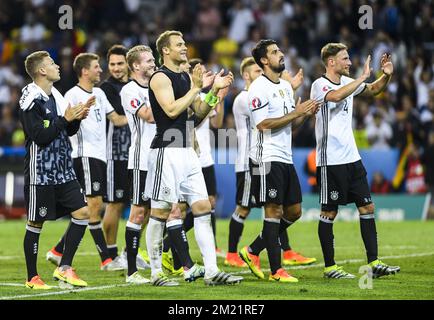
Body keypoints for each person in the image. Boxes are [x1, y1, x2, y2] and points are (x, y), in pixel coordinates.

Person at [144, 30, 243, 286]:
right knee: (160, 211)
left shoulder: (186, 78)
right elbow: (171, 109)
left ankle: (211, 271)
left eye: (184, 43)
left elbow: (196, 115)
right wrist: (198, 87)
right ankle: (156, 273)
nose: (185, 47)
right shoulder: (159, 77)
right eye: (179, 44)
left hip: (188, 151)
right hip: (166, 151)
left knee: (202, 208)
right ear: (165, 50)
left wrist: (213, 94)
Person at [311, 43, 400, 278]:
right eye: (345, 58)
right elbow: (336, 96)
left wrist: (386, 76)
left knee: (367, 207)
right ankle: (330, 267)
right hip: (330, 160)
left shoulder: (349, 83)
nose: (349, 62)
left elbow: (373, 90)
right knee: (329, 212)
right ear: (331, 62)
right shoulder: (320, 84)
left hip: (352, 157)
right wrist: (361, 77)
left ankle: (374, 263)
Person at [238, 39, 320, 283]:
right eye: (274, 52)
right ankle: (276, 271)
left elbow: (290, 125)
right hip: (266, 158)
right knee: (273, 211)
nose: (280, 54)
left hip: (285, 156)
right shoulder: (258, 88)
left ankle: (252, 250)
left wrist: (303, 115)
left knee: (294, 212)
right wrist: (296, 112)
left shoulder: (285, 86)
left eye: (279, 50)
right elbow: (262, 125)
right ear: (264, 61)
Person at [46, 53, 128, 271]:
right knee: (94, 206)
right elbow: (62, 122)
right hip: (84, 155)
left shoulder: (100, 93)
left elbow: (117, 120)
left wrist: (144, 113)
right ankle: (106, 260)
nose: (100, 70)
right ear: (84, 71)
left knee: (87, 207)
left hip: (100, 157)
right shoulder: (71, 95)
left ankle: (57, 251)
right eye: (96, 66)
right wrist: (77, 113)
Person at [20, 51, 91, 289]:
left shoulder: (56, 96)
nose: (57, 66)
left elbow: (66, 131)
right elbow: (39, 136)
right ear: (41, 71)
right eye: (51, 63)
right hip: (41, 172)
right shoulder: (31, 98)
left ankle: (65, 267)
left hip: (64, 170)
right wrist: (65, 120)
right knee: (36, 222)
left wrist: (77, 118)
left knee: (83, 213)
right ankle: (32, 277)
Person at [99, 45, 131, 263]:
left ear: (128, 63)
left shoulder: (138, 84)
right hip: (116, 154)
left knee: (144, 205)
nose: (116, 68)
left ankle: (131, 252)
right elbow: (119, 116)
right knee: (115, 204)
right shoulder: (106, 89)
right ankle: (111, 254)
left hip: (139, 154)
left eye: (120, 63)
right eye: (112, 64)